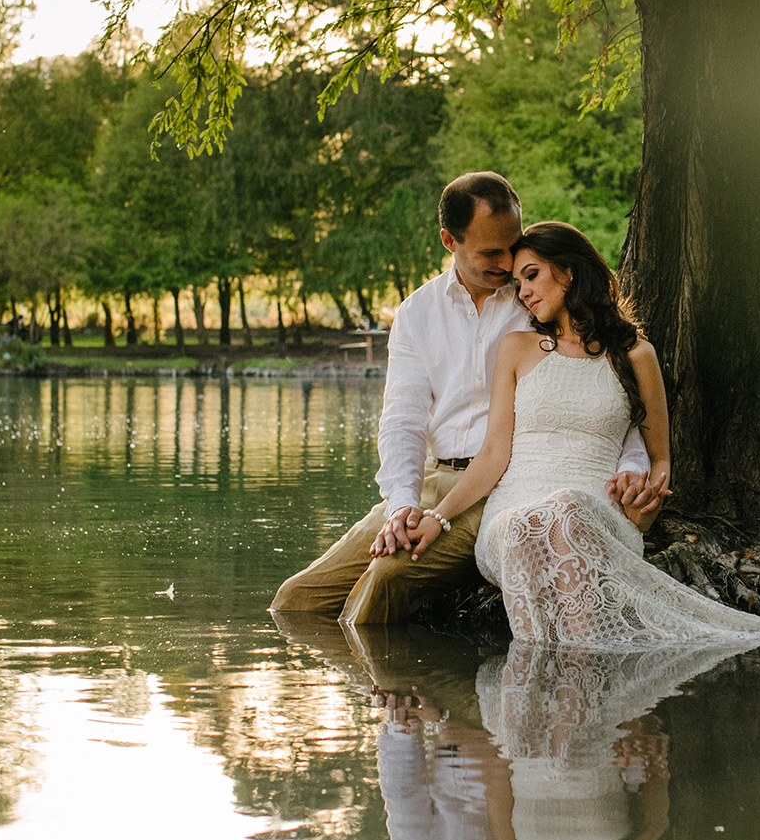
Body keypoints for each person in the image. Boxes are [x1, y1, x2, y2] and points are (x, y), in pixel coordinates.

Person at [392, 221, 760, 648]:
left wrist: (646, 501)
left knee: (568, 506)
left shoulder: (636, 355)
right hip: (511, 515)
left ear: (569, 272)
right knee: (526, 523)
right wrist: (440, 518)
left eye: (531, 276)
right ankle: (578, 684)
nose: (523, 293)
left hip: (596, 511)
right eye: (518, 284)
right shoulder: (517, 348)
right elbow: (493, 454)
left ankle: (576, 681)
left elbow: (660, 458)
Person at [269, 173, 665, 625]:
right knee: (296, 599)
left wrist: (633, 470)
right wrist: (402, 505)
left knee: (387, 577)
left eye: (512, 245)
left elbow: (604, 400)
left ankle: (386, 691)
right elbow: (403, 421)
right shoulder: (418, 313)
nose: (508, 262)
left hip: (501, 486)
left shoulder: (536, 301)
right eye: (491, 252)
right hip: (435, 481)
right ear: (449, 241)